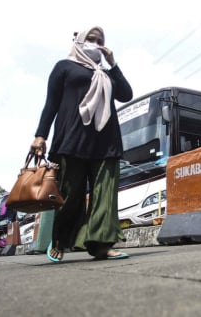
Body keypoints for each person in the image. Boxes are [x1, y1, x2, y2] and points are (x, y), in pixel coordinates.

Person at [31, 26, 133, 262]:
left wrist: (113, 64)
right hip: (71, 140)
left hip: (106, 142)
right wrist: (40, 136)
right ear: (78, 41)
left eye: (99, 41)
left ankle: (101, 246)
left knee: (104, 197)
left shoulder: (106, 74)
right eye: (91, 39)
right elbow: (51, 104)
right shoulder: (63, 67)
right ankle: (59, 241)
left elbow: (126, 94)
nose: (95, 44)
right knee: (70, 196)